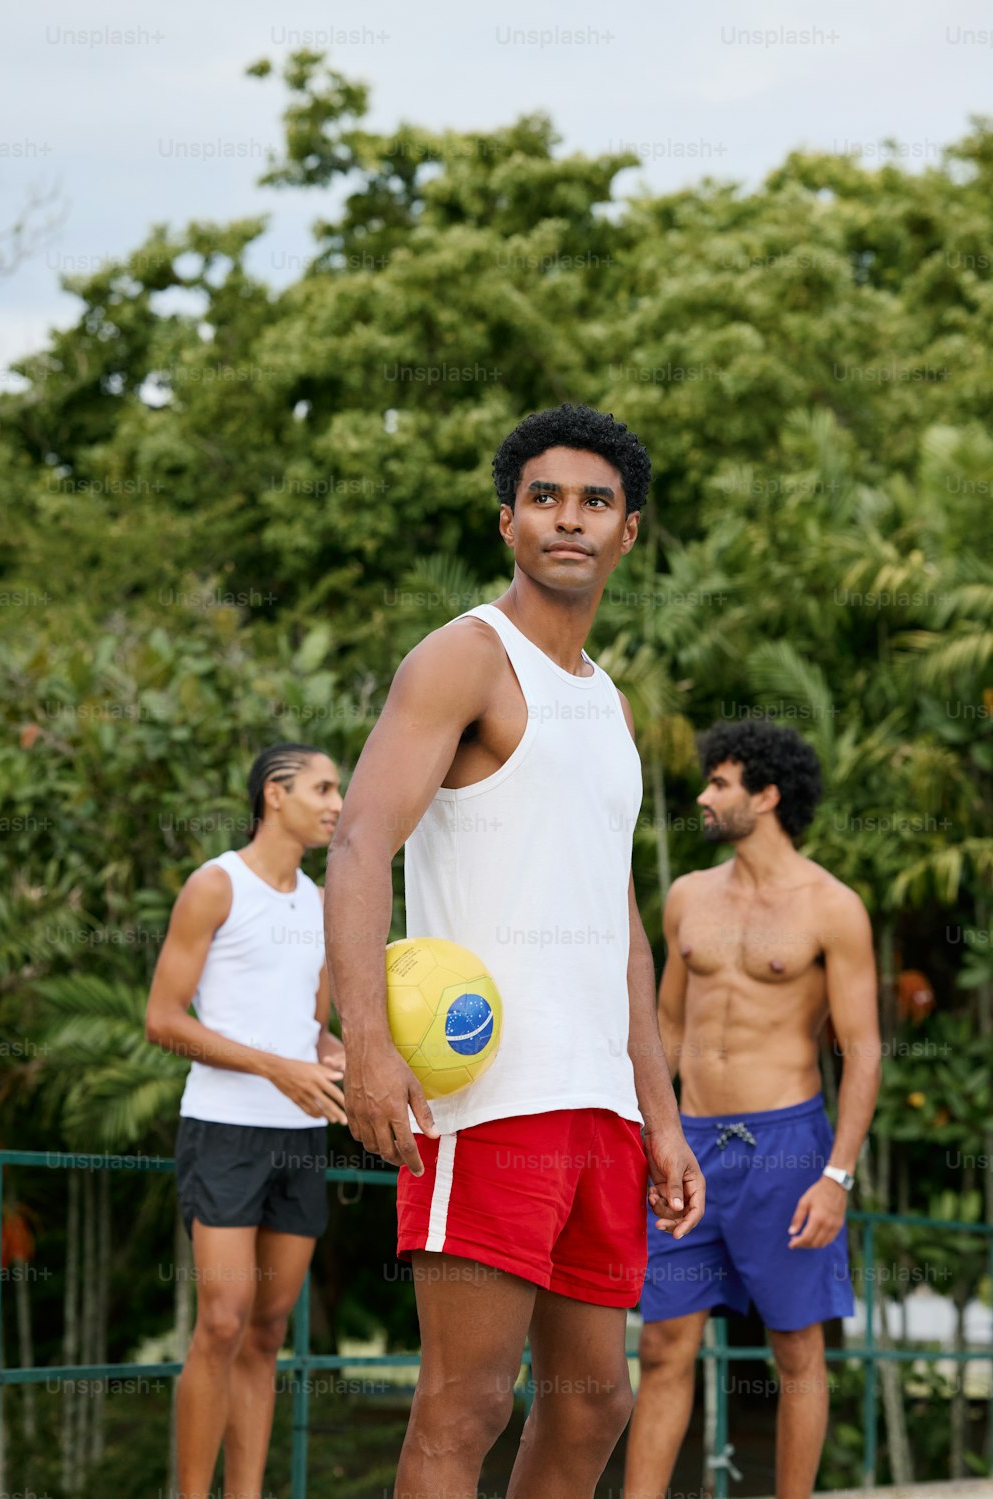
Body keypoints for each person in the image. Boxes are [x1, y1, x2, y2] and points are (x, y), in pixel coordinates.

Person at [324, 403, 705, 1499]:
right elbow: (356, 842)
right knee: (467, 1401)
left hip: (599, 1104)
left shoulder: (609, 706)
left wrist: (661, 1113)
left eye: (595, 501)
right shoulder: (462, 658)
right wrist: (367, 1043)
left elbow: (619, 924)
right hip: (483, 1093)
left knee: (595, 1404)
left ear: (628, 531)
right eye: (544, 497)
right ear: (506, 520)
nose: (568, 518)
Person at [625, 720, 881, 1499]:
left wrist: (837, 1174)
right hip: (691, 1143)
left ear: (766, 796)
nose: (703, 796)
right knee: (666, 1345)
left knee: (797, 1351)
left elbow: (863, 1049)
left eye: (720, 783)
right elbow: (666, 1027)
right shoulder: (687, 895)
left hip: (786, 1147)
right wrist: (650, 1134)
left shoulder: (832, 908)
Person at [145, 743, 347, 1499]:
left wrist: (348, 1066)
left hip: (300, 1139)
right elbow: (162, 1019)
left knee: (266, 1332)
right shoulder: (215, 885)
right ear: (275, 793)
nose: (336, 803)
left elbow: (313, 1032)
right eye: (323, 788)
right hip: (224, 1128)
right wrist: (275, 1067)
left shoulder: (322, 904)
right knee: (223, 1323)